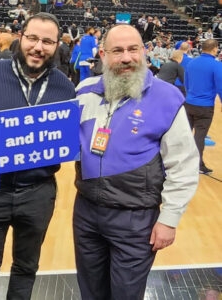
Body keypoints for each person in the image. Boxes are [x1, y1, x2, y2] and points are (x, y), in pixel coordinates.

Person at [74, 24, 199, 300]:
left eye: (133, 49)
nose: (126, 57)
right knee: (90, 291)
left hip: (135, 218)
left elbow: (184, 164)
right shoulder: (84, 91)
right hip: (86, 213)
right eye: (117, 51)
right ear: (103, 55)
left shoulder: (168, 98)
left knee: (126, 294)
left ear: (145, 52)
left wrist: (169, 219)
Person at [0, 12, 76, 300]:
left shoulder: (65, 87)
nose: (39, 47)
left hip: (37, 191)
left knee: (27, 266)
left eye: (47, 42)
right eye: (33, 38)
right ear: (21, 37)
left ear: (56, 46)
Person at [184, 39, 222, 174]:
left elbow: (186, 83)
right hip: (205, 107)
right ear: (214, 49)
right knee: (199, 136)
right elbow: (220, 87)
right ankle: (198, 165)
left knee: (185, 134)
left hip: (188, 103)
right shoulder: (216, 65)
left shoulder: (191, 62)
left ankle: (181, 162)